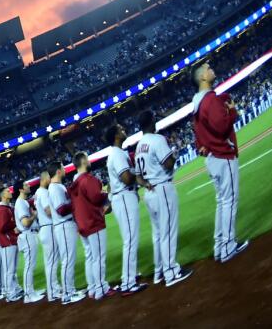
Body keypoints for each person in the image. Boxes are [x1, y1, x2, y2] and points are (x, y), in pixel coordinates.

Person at [192, 61, 250, 262]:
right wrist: (232, 111)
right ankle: (227, 246)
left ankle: (220, 246)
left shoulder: (196, 103)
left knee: (222, 202)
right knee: (229, 202)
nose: (211, 69)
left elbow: (198, 135)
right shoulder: (209, 100)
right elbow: (221, 126)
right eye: (208, 68)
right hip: (222, 155)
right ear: (202, 77)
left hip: (212, 158)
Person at [135, 109, 191, 287]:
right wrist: (173, 154)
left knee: (158, 233)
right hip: (162, 189)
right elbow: (168, 163)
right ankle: (171, 272)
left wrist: (145, 184)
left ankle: (160, 272)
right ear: (151, 122)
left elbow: (138, 176)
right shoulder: (157, 140)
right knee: (168, 231)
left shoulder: (138, 146)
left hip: (150, 192)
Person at [105, 122, 145, 295]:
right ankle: (128, 283)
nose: (124, 130)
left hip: (123, 197)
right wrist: (140, 171)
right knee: (130, 240)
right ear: (115, 136)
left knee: (129, 239)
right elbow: (127, 178)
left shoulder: (117, 153)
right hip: (123, 196)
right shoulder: (116, 154)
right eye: (120, 129)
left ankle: (129, 276)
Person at [69, 152, 111, 301]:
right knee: (99, 257)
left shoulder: (74, 183)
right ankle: (100, 289)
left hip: (82, 224)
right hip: (93, 222)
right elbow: (97, 197)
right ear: (83, 161)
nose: (89, 160)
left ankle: (93, 287)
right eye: (87, 158)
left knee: (91, 257)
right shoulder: (87, 179)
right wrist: (106, 192)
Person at [47, 161, 85, 305]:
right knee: (68, 260)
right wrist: (76, 202)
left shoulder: (58, 186)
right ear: (57, 171)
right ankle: (68, 294)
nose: (64, 169)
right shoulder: (54, 188)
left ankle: (70, 290)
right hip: (63, 225)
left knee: (69, 259)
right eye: (62, 167)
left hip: (65, 225)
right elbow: (61, 210)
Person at [14, 179, 43, 302]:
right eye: (26, 185)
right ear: (21, 189)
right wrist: (34, 215)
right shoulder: (20, 203)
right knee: (29, 266)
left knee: (30, 265)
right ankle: (28, 295)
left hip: (28, 235)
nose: (28, 185)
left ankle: (30, 291)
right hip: (27, 234)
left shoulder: (23, 202)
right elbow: (25, 223)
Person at [0, 185, 23, 302]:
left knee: (12, 269)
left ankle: (15, 289)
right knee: (9, 270)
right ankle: (10, 293)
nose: (10, 191)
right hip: (6, 242)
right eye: (7, 191)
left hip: (11, 240)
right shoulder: (1, 209)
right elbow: (0, 227)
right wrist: (14, 224)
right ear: (2, 196)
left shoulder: (7, 208)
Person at [34, 169, 59, 302]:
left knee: (51, 261)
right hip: (48, 228)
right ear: (44, 178)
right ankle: (53, 291)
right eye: (49, 177)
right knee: (52, 261)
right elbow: (48, 211)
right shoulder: (43, 192)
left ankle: (54, 289)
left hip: (45, 228)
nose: (51, 179)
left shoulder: (39, 192)